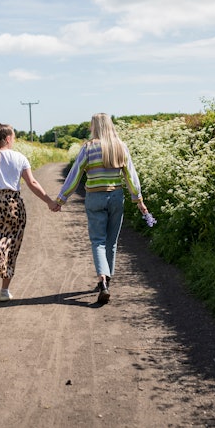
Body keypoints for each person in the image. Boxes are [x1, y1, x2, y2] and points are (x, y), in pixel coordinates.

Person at [54, 113, 149, 304]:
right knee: (111, 242)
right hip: (116, 197)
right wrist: (138, 199)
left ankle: (102, 282)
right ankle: (108, 280)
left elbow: (75, 175)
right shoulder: (120, 147)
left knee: (98, 241)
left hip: (95, 197)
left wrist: (61, 199)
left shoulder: (88, 148)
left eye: (91, 125)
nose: (89, 128)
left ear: (95, 127)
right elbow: (130, 175)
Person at [0, 122, 58, 302]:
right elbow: (32, 183)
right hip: (13, 204)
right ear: (8, 138)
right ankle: (4, 291)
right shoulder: (19, 158)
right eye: (14, 137)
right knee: (11, 244)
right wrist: (49, 201)